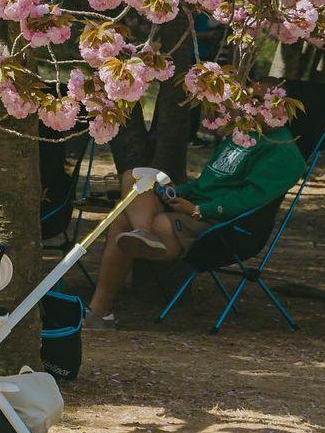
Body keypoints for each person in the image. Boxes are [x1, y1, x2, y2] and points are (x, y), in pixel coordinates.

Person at [85, 124, 307, 329]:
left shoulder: (284, 152)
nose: (242, 104)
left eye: (256, 100)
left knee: (126, 223)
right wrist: (178, 193)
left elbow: (247, 202)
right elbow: (206, 186)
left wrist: (197, 210)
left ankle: (98, 313)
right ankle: (142, 231)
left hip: (218, 225)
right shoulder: (242, 133)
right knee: (133, 176)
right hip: (190, 207)